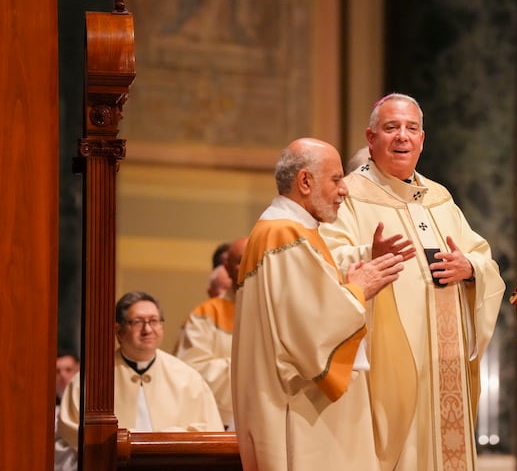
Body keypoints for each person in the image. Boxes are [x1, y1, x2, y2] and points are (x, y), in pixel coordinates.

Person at [319, 93, 506, 470]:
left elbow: (482, 257)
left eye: (411, 128)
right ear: (371, 139)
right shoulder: (349, 195)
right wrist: (367, 254)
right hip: (388, 359)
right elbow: (323, 259)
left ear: (423, 140)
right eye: (391, 128)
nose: (402, 136)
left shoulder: (439, 197)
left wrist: (468, 268)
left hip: (444, 362)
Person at [231, 137, 409, 471]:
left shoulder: (289, 230)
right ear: (305, 181)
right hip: (301, 410)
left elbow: (303, 307)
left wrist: (353, 278)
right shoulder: (283, 234)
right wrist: (358, 290)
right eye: (336, 179)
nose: (344, 190)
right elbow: (309, 332)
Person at [56, 291, 224, 468]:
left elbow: (211, 435)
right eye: (137, 322)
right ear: (118, 331)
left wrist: (169, 438)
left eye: (154, 321)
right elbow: (70, 433)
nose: (147, 329)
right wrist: (122, 442)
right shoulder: (90, 379)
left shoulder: (188, 378)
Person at [176, 236, 248, 429]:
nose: (250, 267)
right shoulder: (205, 315)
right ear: (227, 266)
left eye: (256, 259)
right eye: (242, 260)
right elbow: (190, 373)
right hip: (221, 421)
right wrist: (249, 367)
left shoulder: (277, 309)